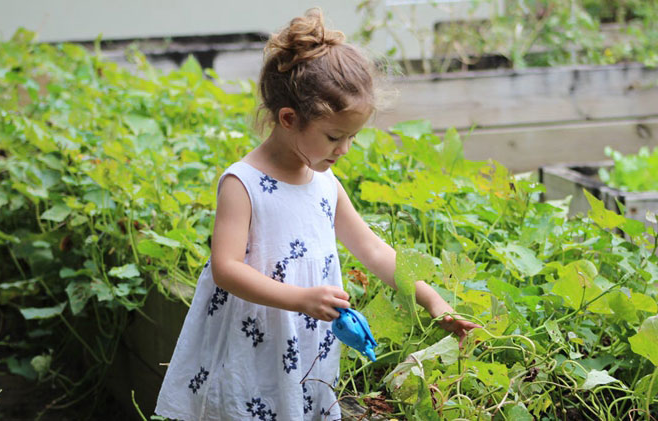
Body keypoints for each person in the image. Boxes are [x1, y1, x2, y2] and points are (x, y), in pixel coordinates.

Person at [154, 8, 479, 421]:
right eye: (333, 137)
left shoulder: (325, 185)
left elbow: (375, 252)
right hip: (255, 341)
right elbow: (226, 269)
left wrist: (433, 300)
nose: (343, 150)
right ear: (289, 119)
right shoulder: (243, 184)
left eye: (351, 138)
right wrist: (300, 299)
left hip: (306, 344)